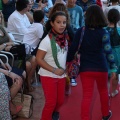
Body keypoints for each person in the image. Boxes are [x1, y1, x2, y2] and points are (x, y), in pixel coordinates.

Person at [67, 5, 117, 120]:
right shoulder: (104, 33)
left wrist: (68, 61)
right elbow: (108, 51)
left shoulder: (81, 31)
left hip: (86, 68)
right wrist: (113, 68)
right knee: (103, 91)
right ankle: (105, 114)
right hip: (101, 67)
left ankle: (85, 117)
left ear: (87, 16)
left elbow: (73, 48)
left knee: (87, 95)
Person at [36, 11, 68, 120]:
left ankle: (54, 114)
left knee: (60, 101)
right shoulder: (46, 41)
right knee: (51, 103)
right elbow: (38, 59)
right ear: (52, 23)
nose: (62, 25)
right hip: (48, 75)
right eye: (58, 22)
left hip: (61, 75)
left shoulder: (64, 38)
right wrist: (54, 70)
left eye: (64, 22)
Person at [106, 8, 120, 97]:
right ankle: (114, 91)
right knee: (116, 74)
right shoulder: (119, 30)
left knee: (107, 76)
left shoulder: (104, 30)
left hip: (106, 54)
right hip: (117, 53)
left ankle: (106, 92)